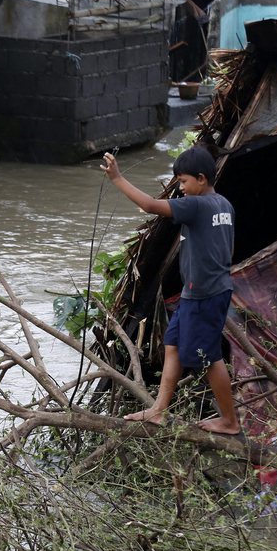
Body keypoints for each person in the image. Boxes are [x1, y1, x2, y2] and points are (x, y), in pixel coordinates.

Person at [101, 146, 241, 435]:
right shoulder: (224, 205)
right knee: (173, 343)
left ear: (201, 179)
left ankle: (229, 420)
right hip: (206, 292)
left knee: (207, 357)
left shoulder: (197, 205)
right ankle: (159, 410)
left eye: (183, 182)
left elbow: (152, 206)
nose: (181, 188)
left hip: (203, 296)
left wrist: (117, 179)